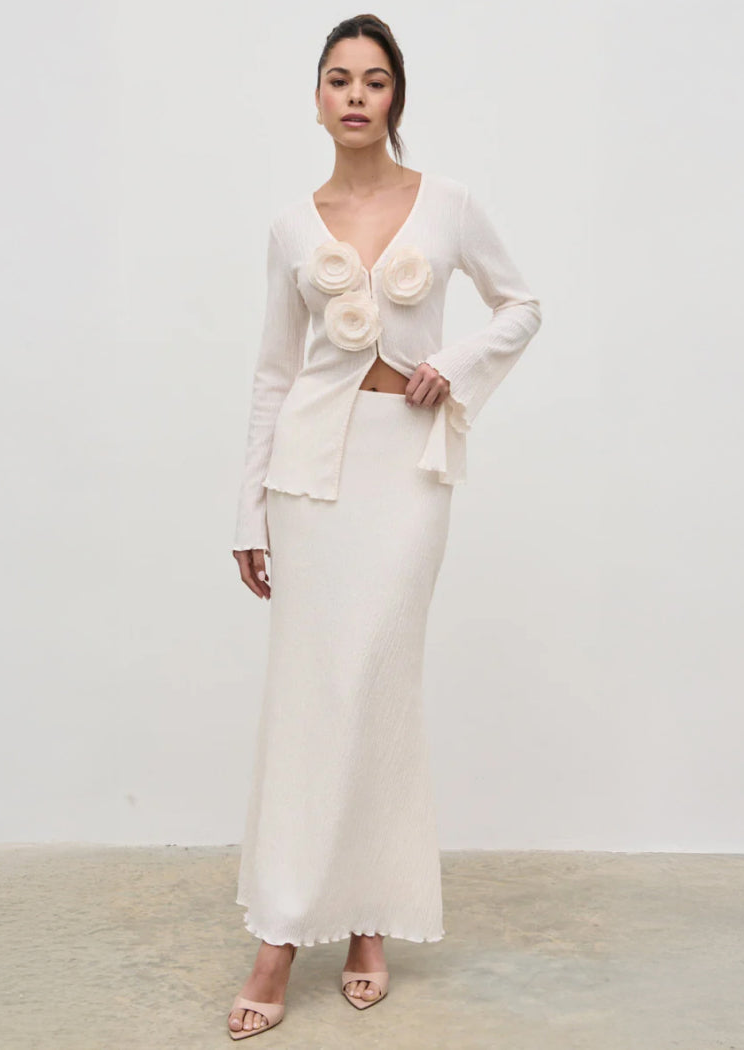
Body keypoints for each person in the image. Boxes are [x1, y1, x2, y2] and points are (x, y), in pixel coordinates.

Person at [227, 14, 542, 1039]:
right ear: (317, 99)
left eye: (373, 79)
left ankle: (368, 919)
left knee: (376, 686)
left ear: (395, 95)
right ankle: (280, 934)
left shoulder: (447, 205)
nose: (356, 95)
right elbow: (274, 373)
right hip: (308, 480)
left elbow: (520, 305)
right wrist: (247, 508)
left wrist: (455, 364)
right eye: (338, 79)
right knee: (311, 697)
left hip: (406, 473)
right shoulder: (292, 227)